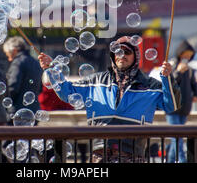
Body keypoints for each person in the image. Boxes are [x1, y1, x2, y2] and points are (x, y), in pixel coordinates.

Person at [38, 35, 181, 163]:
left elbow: (172, 105)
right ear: (113, 55)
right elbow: (67, 92)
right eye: (118, 52)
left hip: (132, 153)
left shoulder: (150, 85)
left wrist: (168, 78)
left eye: (127, 52)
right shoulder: (95, 80)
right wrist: (51, 68)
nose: (122, 55)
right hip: (99, 155)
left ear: (135, 56)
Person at [165, 40, 197, 163]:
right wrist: (178, 72)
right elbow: (170, 82)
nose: (187, 57)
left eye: (189, 55)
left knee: (176, 138)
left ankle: (170, 161)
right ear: (180, 54)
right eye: (185, 54)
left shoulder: (190, 70)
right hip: (173, 107)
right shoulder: (173, 65)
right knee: (177, 138)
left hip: (185, 107)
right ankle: (182, 160)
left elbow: (194, 85)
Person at [3, 37, 43, 115]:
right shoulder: (36, 62)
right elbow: (40, 88)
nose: (9, 59)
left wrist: (5, 103)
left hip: (18, 110)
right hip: (34, 111)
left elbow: (13, 87)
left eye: (8, 55)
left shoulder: (18, 63)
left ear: (14, 50)